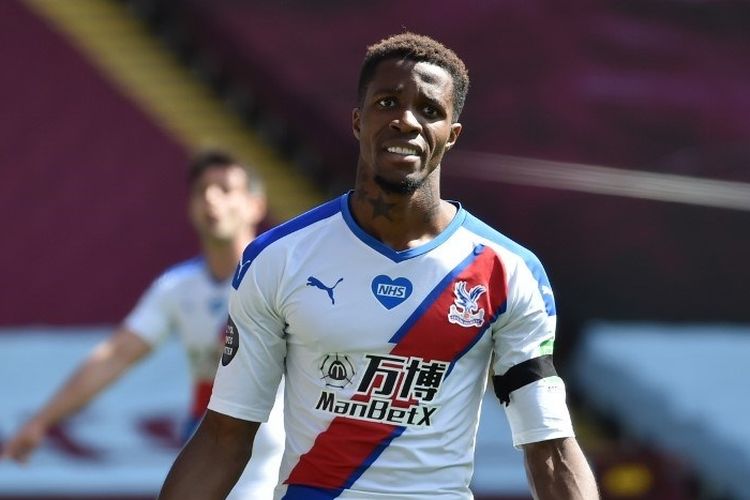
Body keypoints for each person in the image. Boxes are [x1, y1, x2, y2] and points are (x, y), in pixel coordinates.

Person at [158, 33, 599, 500]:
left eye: (429, 110)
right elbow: (225, 435)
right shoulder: (279, 257)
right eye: (388, 102)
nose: (405, 121)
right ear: (357, 120)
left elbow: (549, 447)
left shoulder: (507, 271)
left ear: (452, 135)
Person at [1, 150, 285, 499]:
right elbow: (116, 355)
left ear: (256, 205)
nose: (211, 199)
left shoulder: (279, 278)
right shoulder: (177, 287)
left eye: (225, 189)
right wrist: (41, 421)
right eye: (201, 190)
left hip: (273, 464)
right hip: (207, 457)